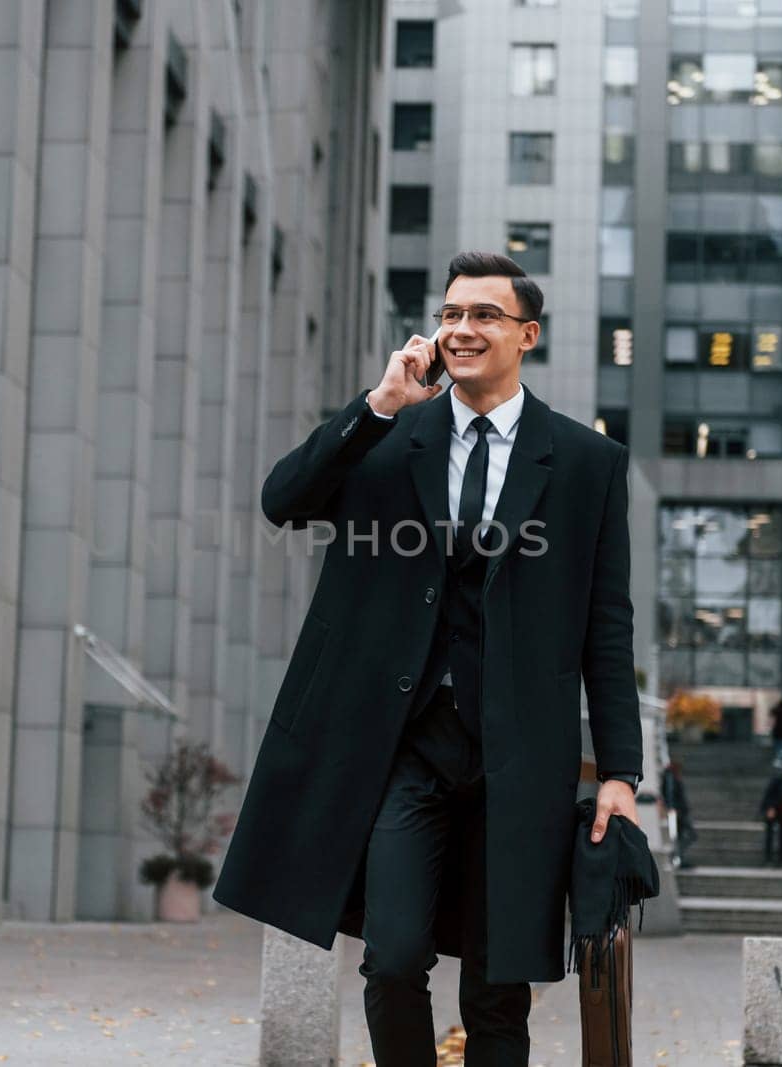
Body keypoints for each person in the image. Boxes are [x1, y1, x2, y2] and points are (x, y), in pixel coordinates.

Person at [213, 252, 643, 1066]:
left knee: (497, 987)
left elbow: (606, 625)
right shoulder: (388, 433)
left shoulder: (587, 464)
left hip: (520, 754)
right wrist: (376, 405)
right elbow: (282, 500)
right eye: (449, 315)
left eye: (483, 315)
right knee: (393, 956)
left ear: (527, 335)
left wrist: (621, 772)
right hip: (405, 745)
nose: (460, 330)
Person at [659, 760, 697, 869]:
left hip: (679, 810)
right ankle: (677, 856)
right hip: (678, 811)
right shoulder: (670, 775)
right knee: (689, 834)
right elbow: (669, 792)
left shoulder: (669, 776)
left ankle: (678, 856)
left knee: (682, 836)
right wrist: (671, 807)